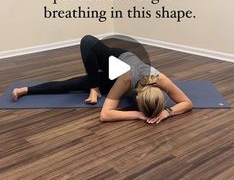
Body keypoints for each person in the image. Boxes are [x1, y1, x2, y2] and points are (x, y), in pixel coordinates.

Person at [12, 35, 192, 124]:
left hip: (123, 75)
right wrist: (138, 115)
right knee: (88, 44)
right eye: (138, 106)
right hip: (116, 61)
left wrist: (167, 111)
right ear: (137, 98)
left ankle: (26, 90)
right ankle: (95, 86)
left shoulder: (161, 79)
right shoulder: (126, 81)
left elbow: (186, 102)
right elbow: (105, 115)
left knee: (74, 84)